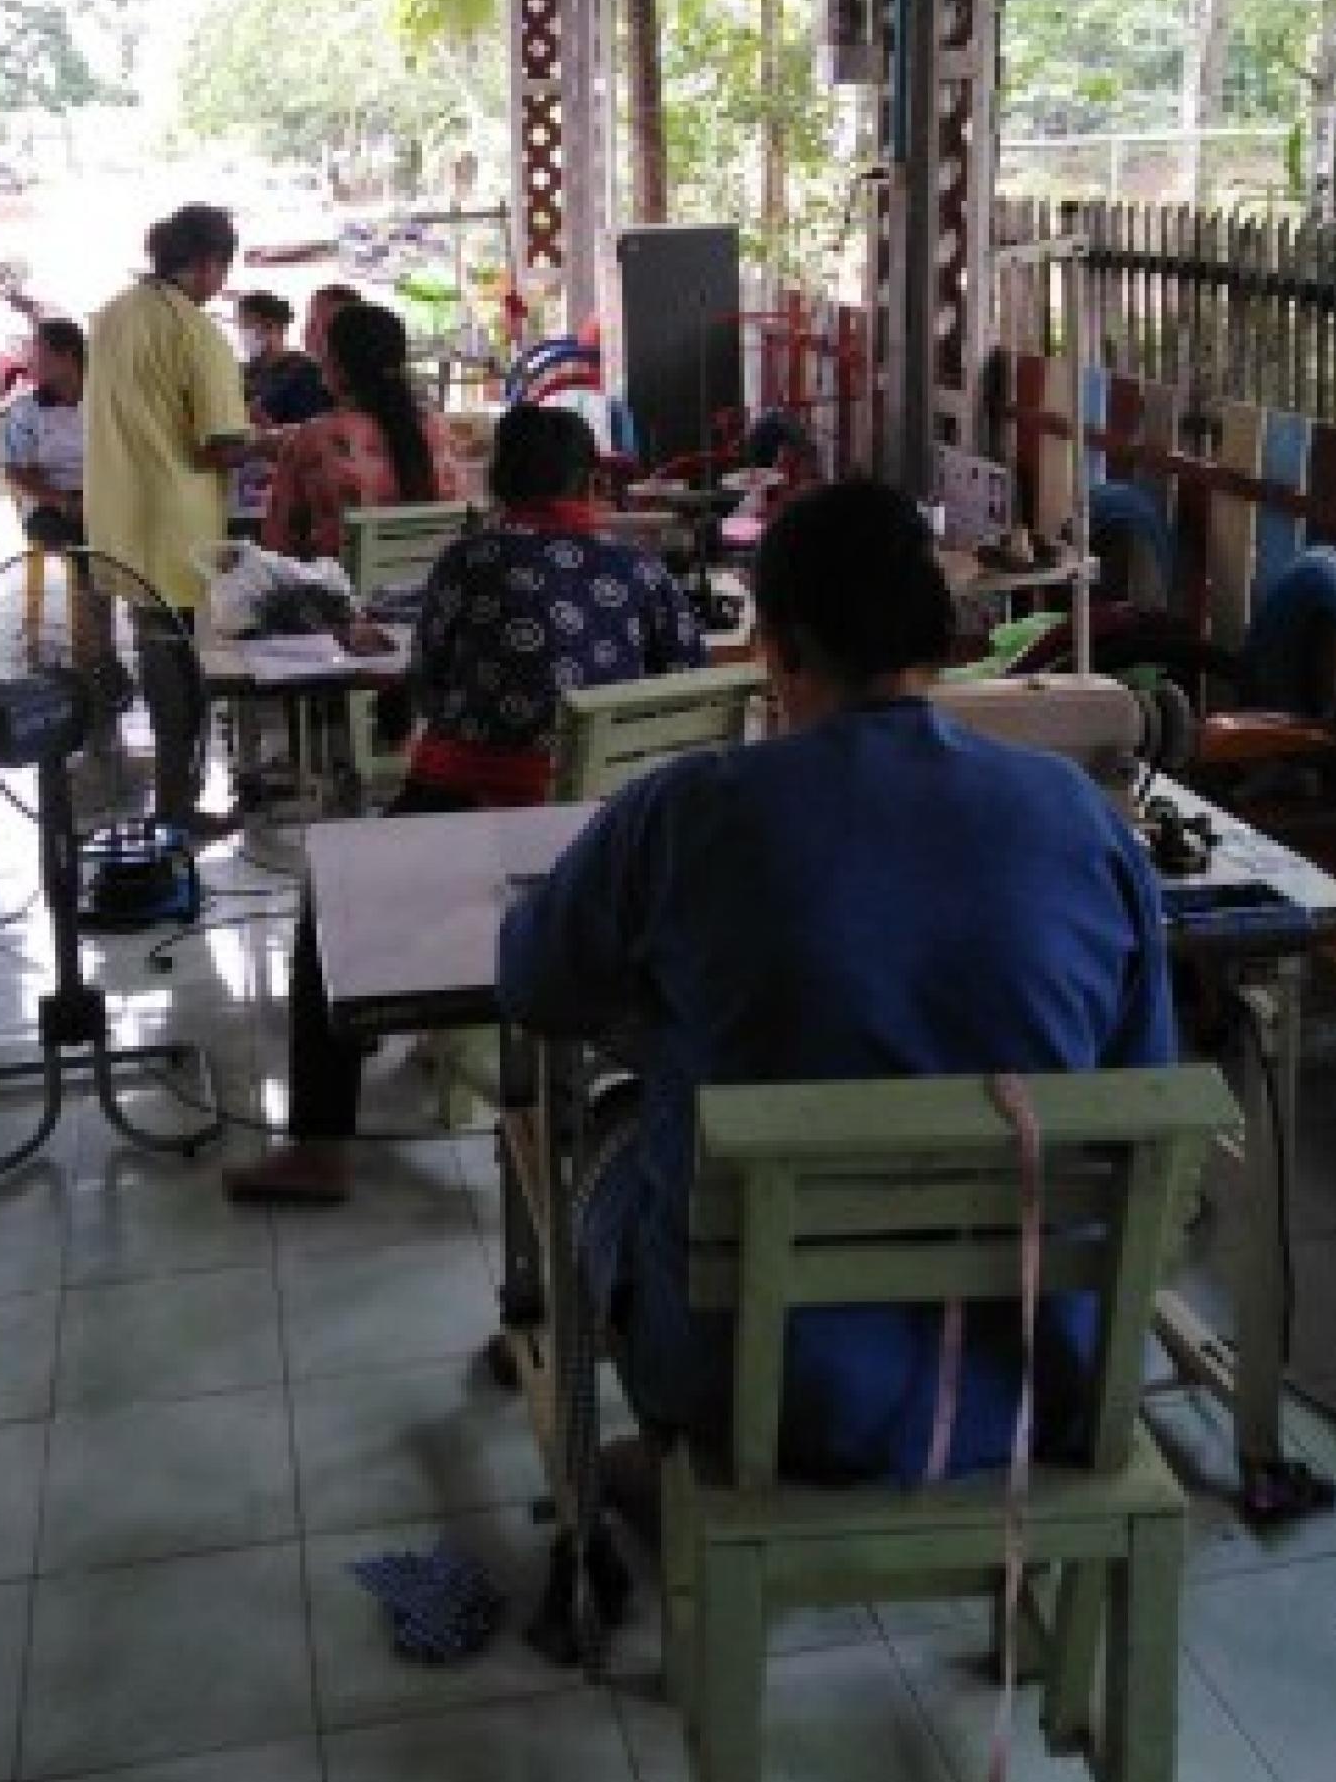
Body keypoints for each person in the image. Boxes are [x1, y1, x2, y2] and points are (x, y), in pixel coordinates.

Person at [497, 478, 1175, 1489]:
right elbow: (1141, 1079)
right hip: (1028, 1374)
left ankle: (638, 1473)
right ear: (939, 637)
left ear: (775, 648)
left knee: (613, 1136)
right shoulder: (1076, 814)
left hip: (753, 1388)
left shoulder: (684, 814)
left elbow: (534, 986)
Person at [228, 405, 708, 1205]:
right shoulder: (641, 573)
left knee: (332, 894)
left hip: (474, 819)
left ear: (501, 484)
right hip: (604, 837)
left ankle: (319, 1146)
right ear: (590, 484)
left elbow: (429, 686)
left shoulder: (469, 561)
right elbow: (680, 688)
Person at [83, 203, 249, 840]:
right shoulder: (195, 332)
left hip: (121, 516)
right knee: (183, 673)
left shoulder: (112, 315)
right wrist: (271, 442)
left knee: (158, 658)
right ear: (208, 264)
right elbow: (220, 444)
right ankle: (178, 804)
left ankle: (175, 801)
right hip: (179, 525)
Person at [260, 299, 463, 563]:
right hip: (427, 584)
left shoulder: (313, 439)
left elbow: (277, 546)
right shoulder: (438, 431)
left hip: (336, 587)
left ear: (336, 365)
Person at [0, 317, 89, 549]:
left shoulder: (104, 402)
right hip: (52, 504)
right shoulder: (24, 411)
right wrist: (65, 502)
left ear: (67, 356)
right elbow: (14, 471)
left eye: (36, 352)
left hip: (106, 495)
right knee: (65, 541)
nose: (29, 361)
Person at [236, 291, 332, 428]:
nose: (243, 333)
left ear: (272, 326)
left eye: (247, 325)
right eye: (241, 326)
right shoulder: (245, 371)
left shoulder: (305, 372)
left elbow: (313, 427)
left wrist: (266, 424)